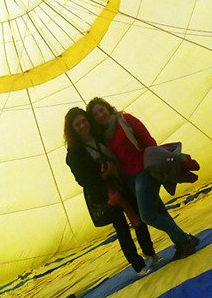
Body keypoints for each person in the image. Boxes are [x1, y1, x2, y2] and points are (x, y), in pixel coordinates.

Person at [86, 98, 200, 260]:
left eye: (101, 110)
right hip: (130, 178)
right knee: (160, 212)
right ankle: (182, 244)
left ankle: (185, 239)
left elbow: (148, 141)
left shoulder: (125, 120)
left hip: (144, 173)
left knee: (147, 215)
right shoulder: (104, 137)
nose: (100, 115)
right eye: (95, 114)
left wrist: (153, 164)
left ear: (108, 108)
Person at [64, 107, 160, 276]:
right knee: (122, 228)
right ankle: (138, 266)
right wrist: (102, 176)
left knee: (138, 218)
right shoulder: (74, 154)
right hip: (104, 194)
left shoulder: (100, 136)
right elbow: (82, 180)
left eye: (84, 121)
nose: (82, 125)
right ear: (72, 129)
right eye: (77, 124)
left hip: (120, 183)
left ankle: (149, 252)